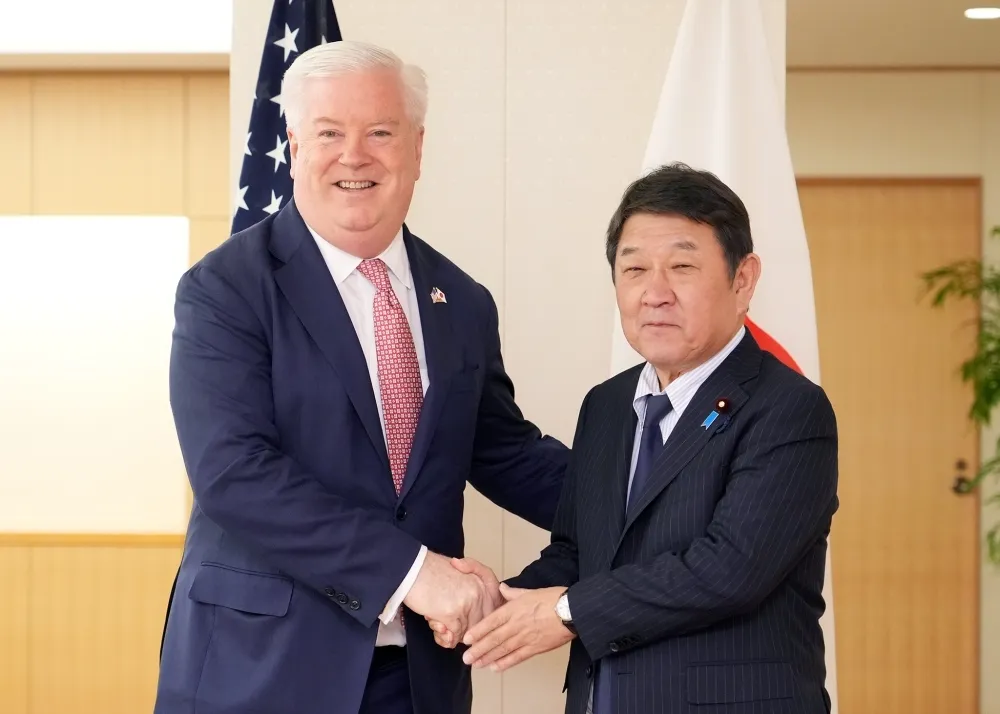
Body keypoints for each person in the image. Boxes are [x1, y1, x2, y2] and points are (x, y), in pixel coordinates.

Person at [154, 40, 568, 714]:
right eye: (329, 133)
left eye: (380, 131)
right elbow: (234, 472)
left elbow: (504, 452)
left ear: (417, 147)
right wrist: (413, 574)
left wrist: (650, 493)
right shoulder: (224, 289)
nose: (355, 155)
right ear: (292, 144)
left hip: (416, 682)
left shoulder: (461, 301)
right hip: (258, 671)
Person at [443, 163, 839, 714]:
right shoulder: (606, 406)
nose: (655, 294)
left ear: (742, 278)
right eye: (633, 269)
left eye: (682, 266)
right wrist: (496, 601)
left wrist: (564, 612)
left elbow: (730, 569)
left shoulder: (789, 409)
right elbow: (582, 552)